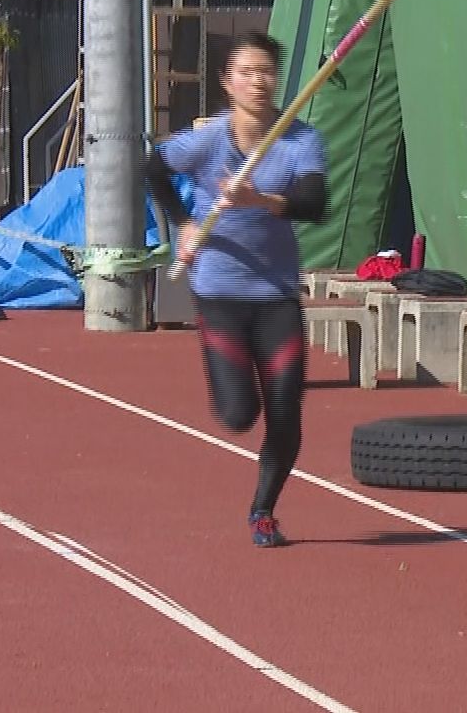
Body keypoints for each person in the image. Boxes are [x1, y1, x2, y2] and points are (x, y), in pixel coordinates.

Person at [145, 32, 328, 547]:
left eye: (266, 71)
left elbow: (314, 203)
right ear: (228, 83)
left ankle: (262, 511)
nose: (258, 81)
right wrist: (181, 223)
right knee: (238, 414)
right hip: (220, 291)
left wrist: (260, 200)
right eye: (246, 72)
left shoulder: (299, 139)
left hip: (276, 294)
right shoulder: (208, 140)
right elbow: (153, 168)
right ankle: (234, 389)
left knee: (286, 412)